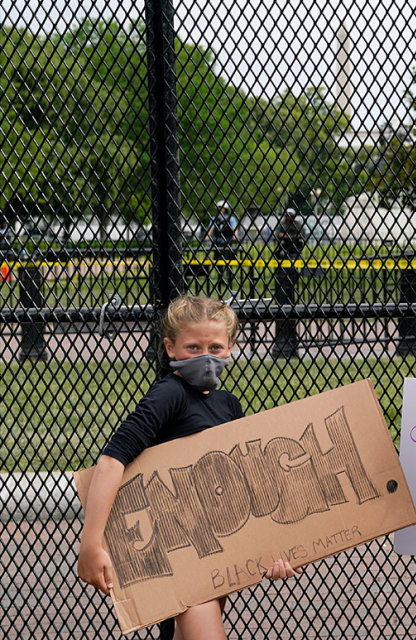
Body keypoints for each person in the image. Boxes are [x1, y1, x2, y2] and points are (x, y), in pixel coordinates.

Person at [77, 295, 301, 640]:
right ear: (170, 347)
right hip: (178, 546)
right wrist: (92, 542)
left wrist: (273, 549)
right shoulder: (170, 394)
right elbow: (112, 459)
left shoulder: (229, 405)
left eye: (215, 346)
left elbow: (246, 482)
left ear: (231, 347)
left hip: (215, 546)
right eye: (193, 347)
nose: (206, 356)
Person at [205, 200, 239, 296]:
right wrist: (207, 236)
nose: (221, 209)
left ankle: (229, 281)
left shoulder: (231, 219)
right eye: (220, 208)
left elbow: (234, 228)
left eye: (223, 208)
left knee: (228, 264)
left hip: (227, 244)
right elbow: (210, 229)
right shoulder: (214, 219)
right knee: (218, 264)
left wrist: (235, 236)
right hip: (217, 244)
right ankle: (220, 281)